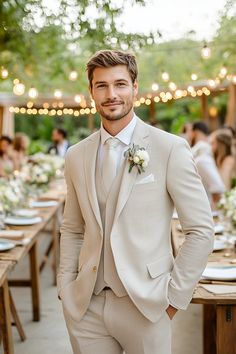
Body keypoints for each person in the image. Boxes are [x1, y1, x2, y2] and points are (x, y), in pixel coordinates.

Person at [57, 50, 214, 354]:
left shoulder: (170, 148)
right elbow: (72, 229)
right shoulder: (76, 156)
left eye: (120, 84)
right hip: (86, 308)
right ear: (91, 91)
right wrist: (67, 287)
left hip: (148, 305)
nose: (111, 94)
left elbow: (200, 230)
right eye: (101, 86)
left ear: (135, 87)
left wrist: (173, 299)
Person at [191, 121, 225, 209]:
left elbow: (218, 188)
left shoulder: (202, 157)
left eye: (213, 143)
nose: (211, 146)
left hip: (207, 209)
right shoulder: (202, 155)